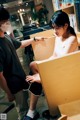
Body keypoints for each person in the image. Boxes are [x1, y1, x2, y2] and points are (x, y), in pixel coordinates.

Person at [26, 10, 78, 119]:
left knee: (35, 80)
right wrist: (42, 65)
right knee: (32, 65)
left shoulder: (72, 40)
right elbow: (54, 56)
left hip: (63, 73)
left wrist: (42, 77)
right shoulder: (59, 36)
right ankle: (40, 92)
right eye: (53, 27)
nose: (55, 31)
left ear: (66, 25)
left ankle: (31, 112)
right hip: (55, 68)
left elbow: (61, 66)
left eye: (57, 28)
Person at [0, 7, 46, 120]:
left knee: (26, 105)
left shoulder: (6, 37)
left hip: (20, 79)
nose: (7, 23)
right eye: (4, 22)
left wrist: (34, 39)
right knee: (22, 111)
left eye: (7, 20)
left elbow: (20, 44)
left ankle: (32, 115)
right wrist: (9, 93)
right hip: (13, 86)